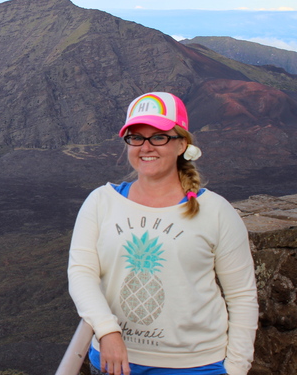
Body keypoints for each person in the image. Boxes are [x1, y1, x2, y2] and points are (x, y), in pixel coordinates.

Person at [67, 92, 258, 375]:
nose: (146, 147)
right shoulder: (101, 201)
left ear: (182, 144)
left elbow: (242, 294)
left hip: (197, 366)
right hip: (114, 363)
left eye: (159, 137)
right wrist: (107, 331)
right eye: (136, 137)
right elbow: (81, 272)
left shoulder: (216, 211)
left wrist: (236, 368)